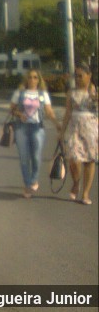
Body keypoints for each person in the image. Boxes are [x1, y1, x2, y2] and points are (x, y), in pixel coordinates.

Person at [9, 70, 60, 198]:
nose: (32, 79)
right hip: (21, 128)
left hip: (38, 128)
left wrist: (57, 123)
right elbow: (12, 109)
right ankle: (27, 185)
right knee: (24, 158)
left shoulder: (42, 94)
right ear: (26, 79)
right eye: (30, 77)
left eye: (35, 77)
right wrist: (20, 114)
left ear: (39, 79)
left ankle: (34, 179)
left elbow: (49, 111)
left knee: (36, 157)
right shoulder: (19, 93)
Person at [60, 62, 98, 205]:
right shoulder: (72, 92)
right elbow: (68, 112)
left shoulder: (95, 91)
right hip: (74, 129)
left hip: (91, 130)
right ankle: (76, 182)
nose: (78, 79)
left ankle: (86, 193)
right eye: (76, 76)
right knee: (73, 159)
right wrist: (61, 131)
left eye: (81, 76)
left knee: (89, 160)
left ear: (89, 76)